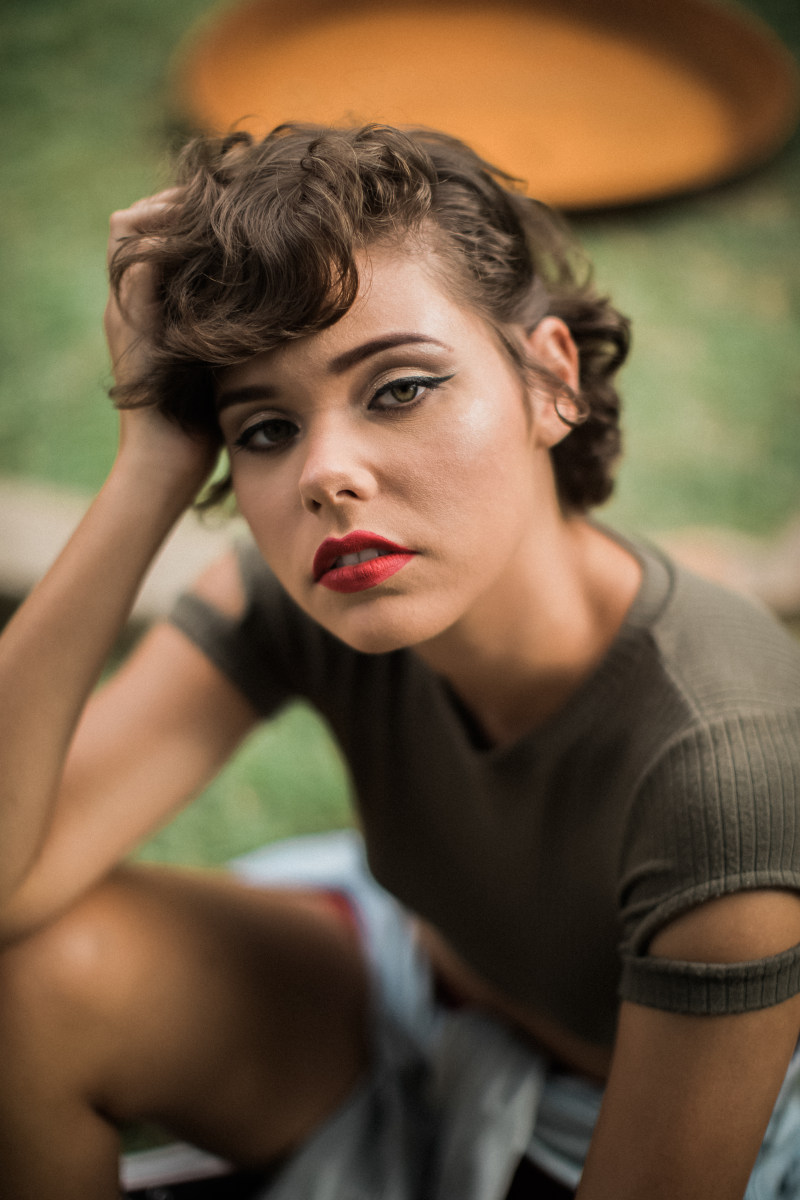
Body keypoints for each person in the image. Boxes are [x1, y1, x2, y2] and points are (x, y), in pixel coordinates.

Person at [0, 122, 798, 1200]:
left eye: (398, 388)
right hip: (414, 995)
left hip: (643, 1122)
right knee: (28, 985)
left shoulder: (722, 765)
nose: (327, 474)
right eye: (268, 428)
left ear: (547, 380)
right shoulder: (301, 597)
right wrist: (150, 454)